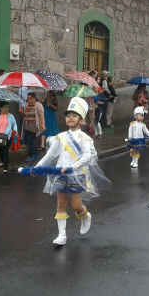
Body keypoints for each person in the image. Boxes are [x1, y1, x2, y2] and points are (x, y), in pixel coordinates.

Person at [34, 97, 110, 246]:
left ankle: (85, 215)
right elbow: (50, 155)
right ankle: (62, 235)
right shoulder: (60, 137)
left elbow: (88, 156)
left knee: (76, 206)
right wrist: (38, 166)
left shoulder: (85, 138)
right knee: (60, 204)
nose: (70, 118)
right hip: (61, 174)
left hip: (77, 175)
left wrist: (72, 167)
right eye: (68, 115)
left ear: (81, 120)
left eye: (74, 116)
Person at [0, 102, 18, 174]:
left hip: (7, 136)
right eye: (5, 107)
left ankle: (5, 167)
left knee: (5, 151)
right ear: (1, 108)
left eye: (7, 107)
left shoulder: (11, 116)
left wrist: (15, 131)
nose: (7, 109)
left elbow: (14, 125)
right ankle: (3, 162)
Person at [22, 92, 45, 162]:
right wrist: (22, 111)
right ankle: (35, 155)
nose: (29, 99)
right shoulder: (27, 105)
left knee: (31, 141)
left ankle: (31, 156)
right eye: (28, 98)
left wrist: (43, 125)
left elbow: (41, 115)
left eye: (30, 98)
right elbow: (24, 115)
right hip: (27, 126)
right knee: (32, 141)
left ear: (34, 98)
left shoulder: (38, 105)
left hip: (34, 126)